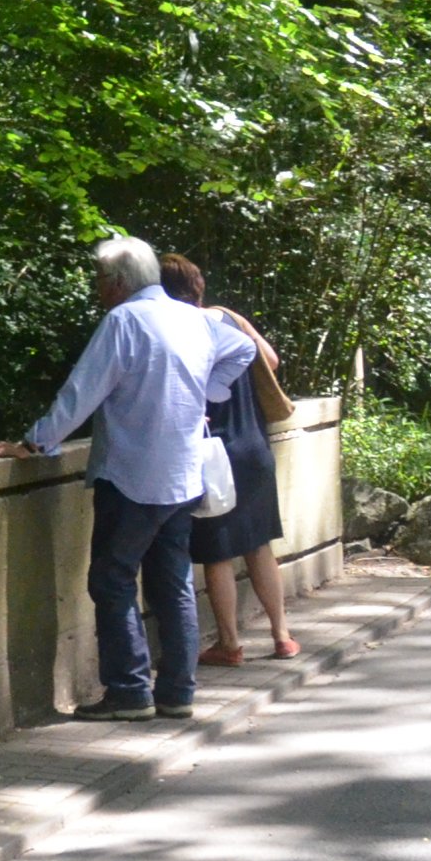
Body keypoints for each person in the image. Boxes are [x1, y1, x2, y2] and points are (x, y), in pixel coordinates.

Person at [0, 236, 254, 720]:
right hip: (183, 477)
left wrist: (35, 443)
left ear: (119, 282)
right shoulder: (196, 319)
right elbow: (244, 350)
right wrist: (206, 394)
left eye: (100, 280)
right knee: (173, 584)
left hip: (131, 476)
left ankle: (129, 692)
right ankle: (177, 692)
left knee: (113, 579)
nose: (97, 290)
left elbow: (80, 392)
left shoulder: (124, 321)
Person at [160, 253, 301, 666]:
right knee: (259, 544)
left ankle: (230, 643)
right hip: (255, 445)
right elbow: (271, 362)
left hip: (214, 453)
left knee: (218, 552)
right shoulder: (228, 318)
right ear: (199, 286)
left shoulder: (176, 331)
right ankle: (282, 636)